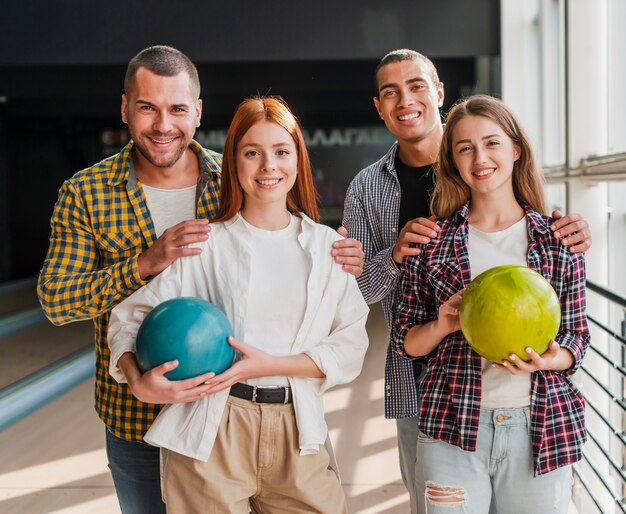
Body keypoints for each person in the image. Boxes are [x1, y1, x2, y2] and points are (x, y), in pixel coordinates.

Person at [37, 46, 364, 514]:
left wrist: (342, 257)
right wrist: (144, 268)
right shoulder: (87, 192)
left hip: (269, 414)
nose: (163, 124)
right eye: (148, 107)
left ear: (198, 112)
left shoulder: (230, 174)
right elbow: (58, 301)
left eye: (177, 109)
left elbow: (284, 243)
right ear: (125, 108)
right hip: (135, 413)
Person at [340, 48, 592, 512]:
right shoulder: (375, 195)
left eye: (416, 86)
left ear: (437, 92)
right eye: (390, 92)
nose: (405, 101)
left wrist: (555, 356)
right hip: (437, 398)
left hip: (535, 417)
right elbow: (361, 303)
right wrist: (396, 258)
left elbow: (575, 334)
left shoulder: (550, 238)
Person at [107, 96, 369, 513]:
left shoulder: (328, 249)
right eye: (253, 153)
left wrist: (269, 365)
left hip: (296, 426)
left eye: (281, 152)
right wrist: (136, 378)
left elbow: (351, 345)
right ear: (234, 163)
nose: (268, 166)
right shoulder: (204, 244)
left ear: (298, 162)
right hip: (213, 427)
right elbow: (126, 318)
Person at [393, 95, 589, 513]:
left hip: (540, 428)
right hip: (451, 429)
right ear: (453, 161)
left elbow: (577, 339)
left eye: (492, 143)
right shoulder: (432, 242)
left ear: (516, 149)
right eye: (465, 148)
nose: (479, 157)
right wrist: (443, 324)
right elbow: (406, 343)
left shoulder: (558, 241)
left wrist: (549, 359)